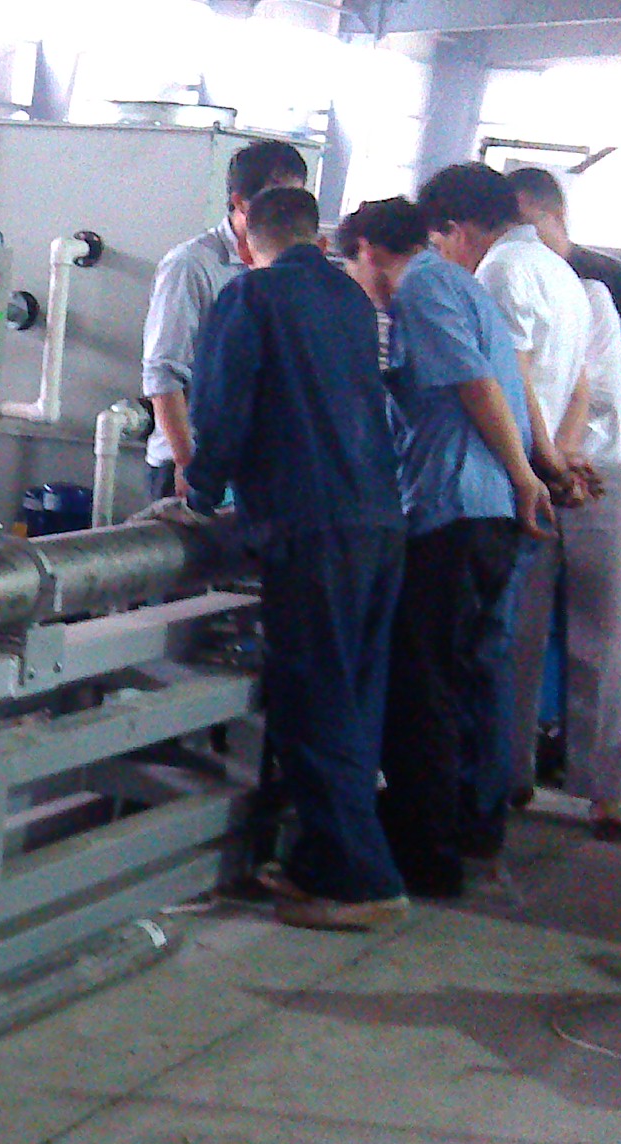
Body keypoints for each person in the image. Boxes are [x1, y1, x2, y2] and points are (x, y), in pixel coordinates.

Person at [183, 187, 408, 930]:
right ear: (321, 238)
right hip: (379, 519)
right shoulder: (352, 300)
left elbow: (223, 407)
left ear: (247, 237)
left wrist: (200, 491)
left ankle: (359, 882)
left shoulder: (250, 297)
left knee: (315, 701)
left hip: (312, 527)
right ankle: (317, 863)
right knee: (356, 700)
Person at [340, 193, 554, 900]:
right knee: (467, 678)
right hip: (480, 510)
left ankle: (426, 857)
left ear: (370, 251)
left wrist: (525, 476)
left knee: (424, 687)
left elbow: (476, 386)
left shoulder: (423, 290)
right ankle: (472, 832)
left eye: (353, 268)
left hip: (457, 509)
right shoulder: (458, 284)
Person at [429, 162, 590, 879]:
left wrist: (540, 464)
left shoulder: (500, 271)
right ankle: (481, 818)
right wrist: (558, 463)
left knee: (466, 664)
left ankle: (467, 818)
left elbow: (501, 380)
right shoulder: (562, 274)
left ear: (460, 227)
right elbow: (577, 384)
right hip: (520, 487)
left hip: (493, 489)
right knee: (489, 658)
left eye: (440, 240)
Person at [503, 274, 621, 840]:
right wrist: (545, 462)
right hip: (531, 473)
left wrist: (559, 457)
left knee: (604, 633)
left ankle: (602, 791)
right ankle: (509, 774)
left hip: (602, 471)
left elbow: (601, 392)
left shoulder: (589, 297)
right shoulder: (503, 287)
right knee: (517, 633)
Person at [141, 138, 310, 500]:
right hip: (191, 461)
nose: (288, 215)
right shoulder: (191, 265)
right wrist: (187, 462)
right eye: (276, 202)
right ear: (239, 203)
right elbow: (163, 371)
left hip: (254, 468)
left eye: (295, 201)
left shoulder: (288, 269)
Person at [507, 166, 621, 394]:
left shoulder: (606, 277)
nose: (515, 237)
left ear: (557, 215)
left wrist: (604, 397)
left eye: (524, 224)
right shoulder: (510, 274)